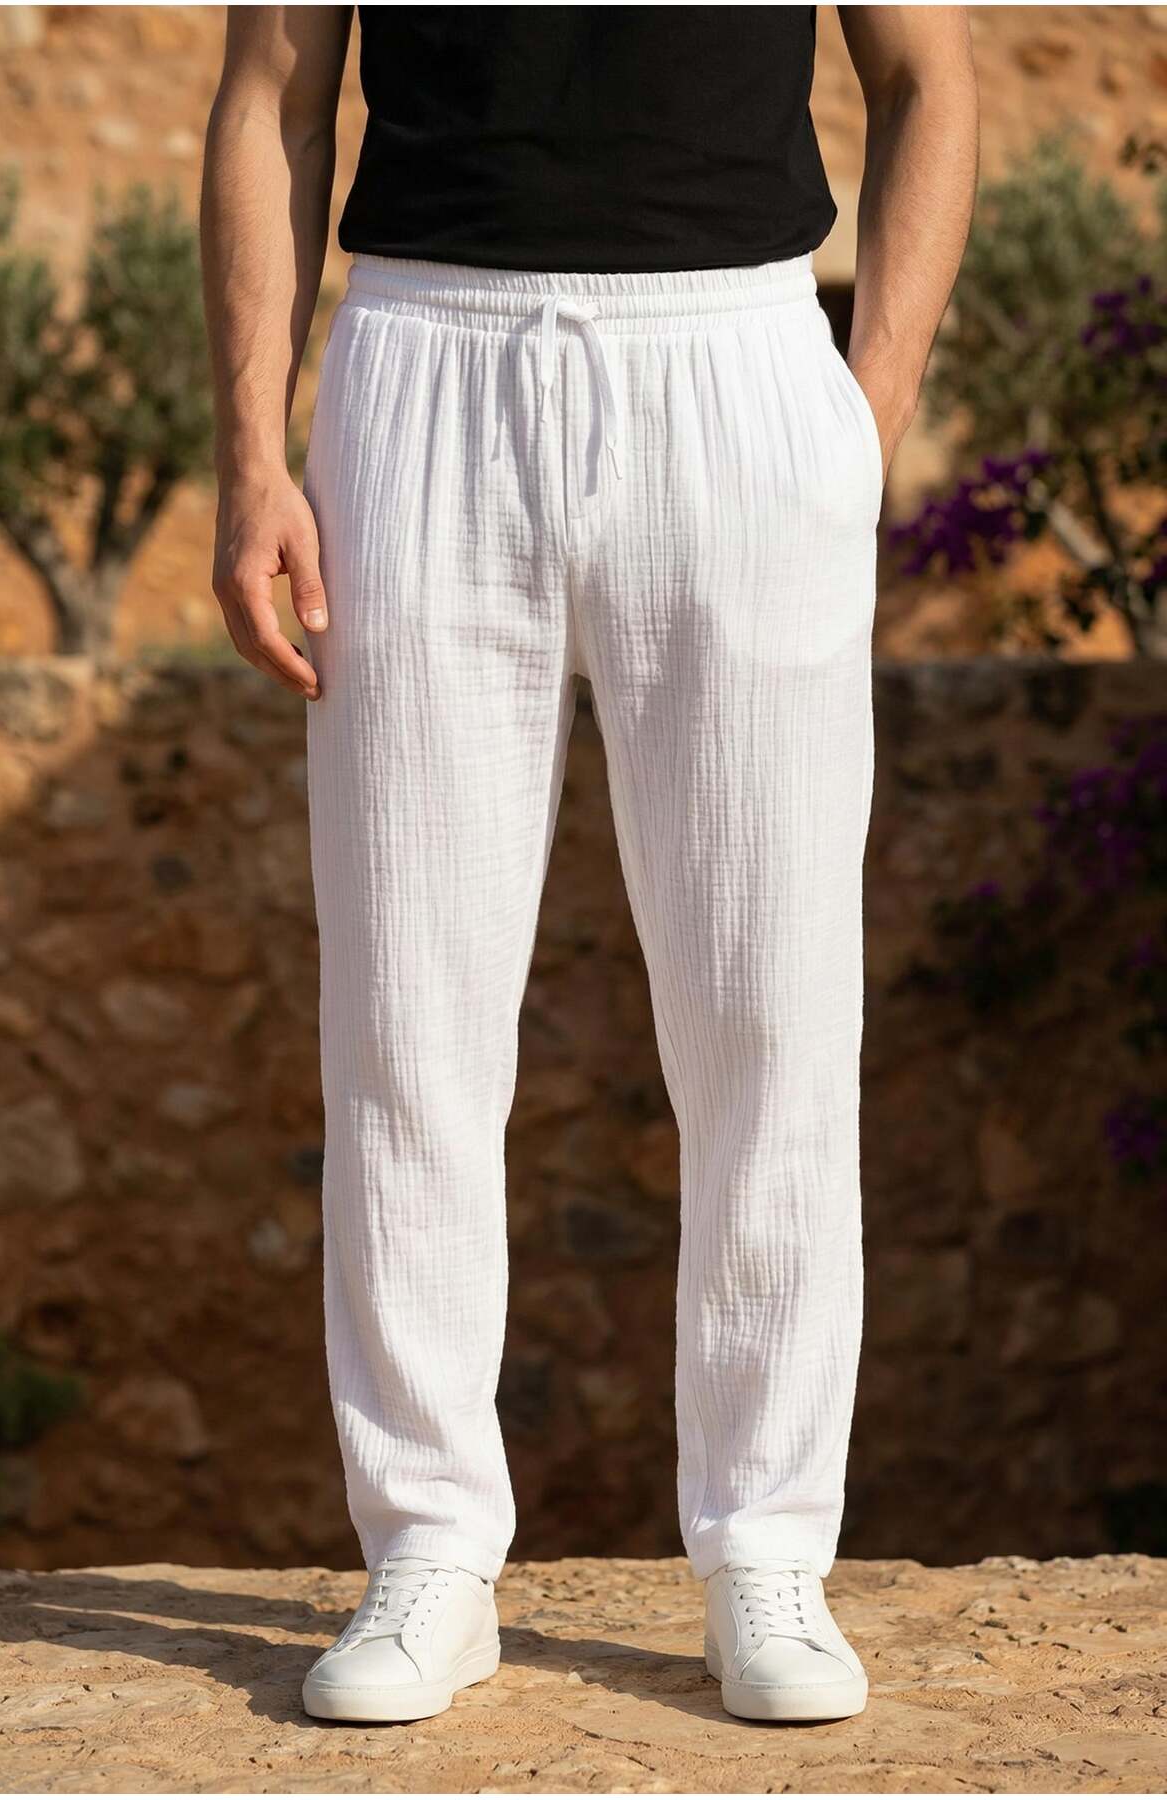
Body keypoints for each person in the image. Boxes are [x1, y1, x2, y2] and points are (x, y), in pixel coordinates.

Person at [201, 4, 978, 1726]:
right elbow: (271, 92)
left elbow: (931, 76)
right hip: (422, 360)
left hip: (741, 363)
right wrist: (253, 453)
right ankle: (427, 1548)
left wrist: (864, 420)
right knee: (405, 1017)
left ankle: (768, 1549)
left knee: (770, 1013)